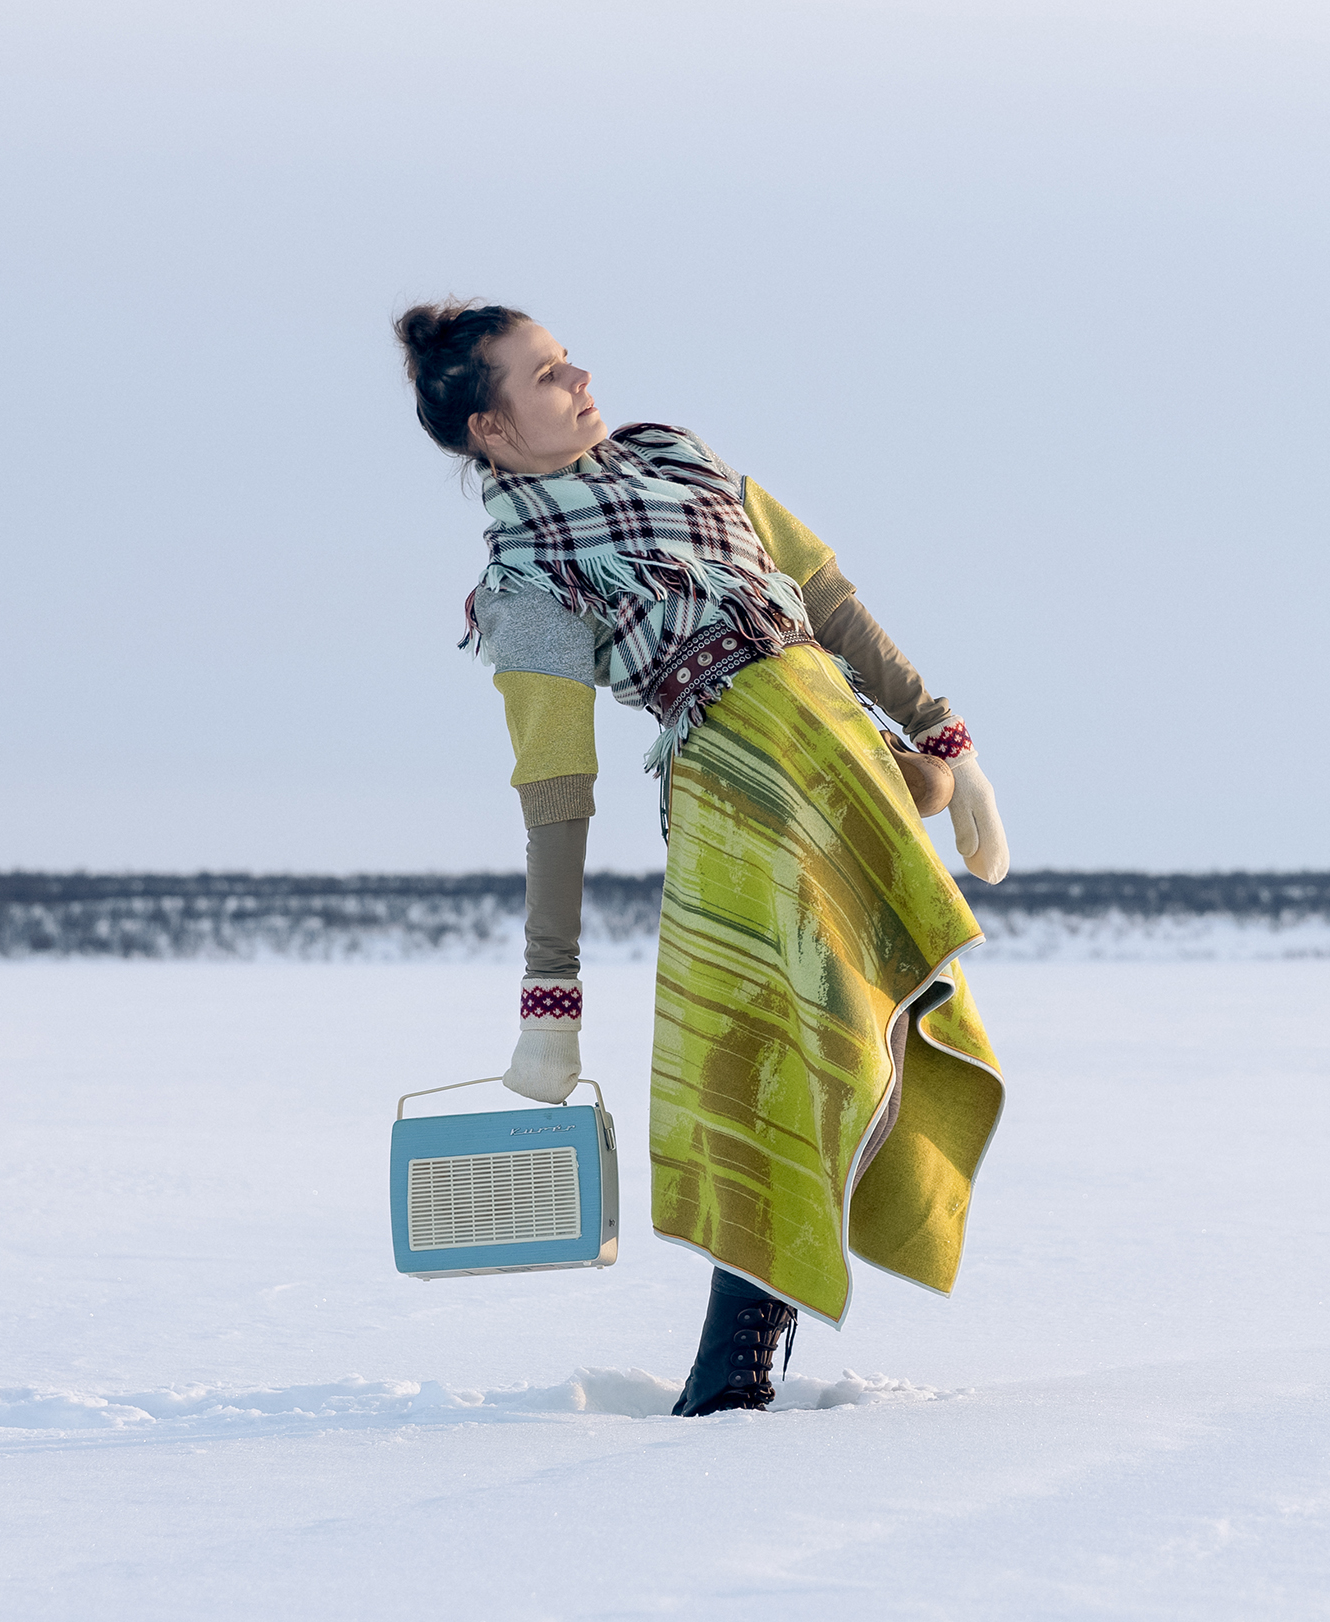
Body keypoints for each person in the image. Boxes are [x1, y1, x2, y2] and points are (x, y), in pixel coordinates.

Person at [394, 300, 1008, 1415]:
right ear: (490, 428)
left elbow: (825, 597)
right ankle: (730, 1384)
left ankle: (737, 1377)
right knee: (785, 1062)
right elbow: (556, 789)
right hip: (742, 806)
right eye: (542, 376)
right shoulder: (526, 576)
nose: (578, 377)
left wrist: (942, 739)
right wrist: (551, 993)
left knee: (822, 1053)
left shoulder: (679, 455)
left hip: (846, 767)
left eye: (565, 358)